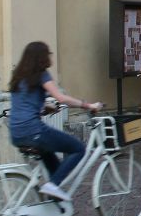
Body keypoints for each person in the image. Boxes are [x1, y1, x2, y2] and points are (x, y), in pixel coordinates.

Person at [7, 41, 101, 202]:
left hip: (16, 133)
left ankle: (55, 204)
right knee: (78, 148)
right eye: (49, 54)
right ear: (42, 57)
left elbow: (25, 102)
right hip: (34, 131)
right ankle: (53, 186)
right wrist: (87, 105)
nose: (50, 57)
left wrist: (45, 107)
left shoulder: (18, 76)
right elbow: (60, 97)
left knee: (56, 169)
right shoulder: (42, 74)